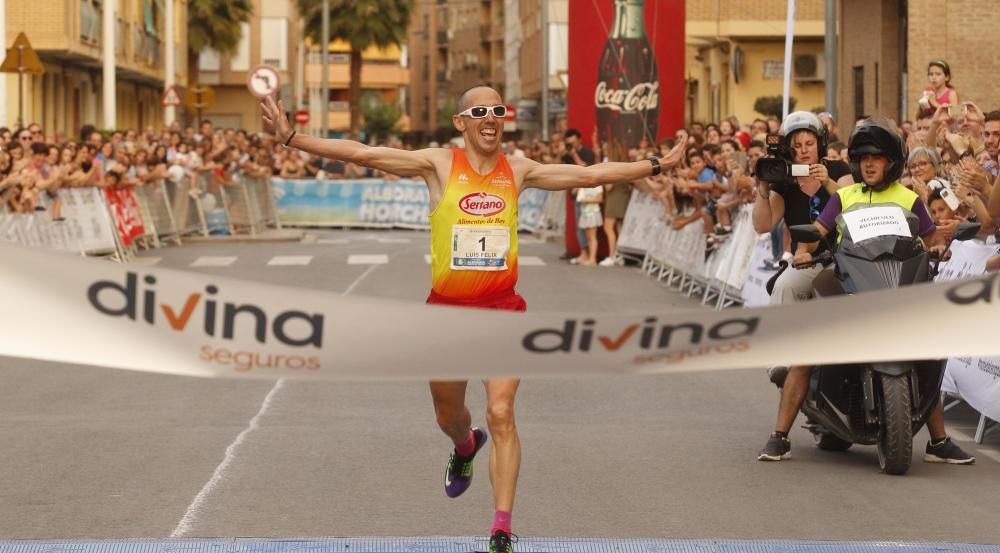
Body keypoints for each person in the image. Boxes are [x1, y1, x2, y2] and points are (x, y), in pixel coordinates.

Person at [259, 85, 687, 553]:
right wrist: (292, 139)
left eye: (498, 111)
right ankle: (464, 444)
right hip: (446, 315)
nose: (491, 118)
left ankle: (501, 528)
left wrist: (657, 165)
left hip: (503, 310)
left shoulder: (519, 170)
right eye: (480, 111)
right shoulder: (438, 164)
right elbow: (364, 152)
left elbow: (590, 174)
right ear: (461, 122)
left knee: (502, 412)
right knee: (448, 415)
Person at [757, 118, 975, 465]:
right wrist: (802, 251)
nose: (870, 164)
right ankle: (779, 436)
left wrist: (938, 248)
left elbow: (931, 237)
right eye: (863, 158)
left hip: (896, 284)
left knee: (926, 348)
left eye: (878, 157)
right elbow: (817, 231)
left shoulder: (908, 198)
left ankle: (938, 441)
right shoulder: (844, 195)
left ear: (891, 162)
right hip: (849, 283)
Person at [752, 112, 854, 389]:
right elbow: (762, 225)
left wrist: (827, 184)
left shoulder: (838, 170)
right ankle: (781, 361)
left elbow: (855, 206)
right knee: (784, 284)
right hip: (808, 261)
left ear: (819, 144)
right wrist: (762, 187)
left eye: (808, 143)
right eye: (795, 146)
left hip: (845, 257)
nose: (803, 151)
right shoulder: (784, 181)